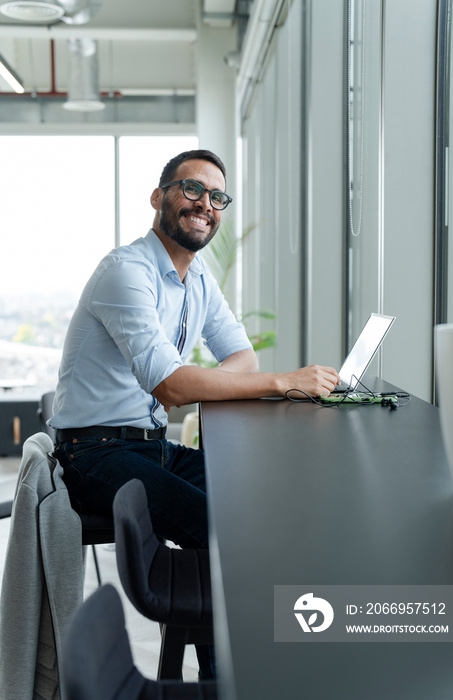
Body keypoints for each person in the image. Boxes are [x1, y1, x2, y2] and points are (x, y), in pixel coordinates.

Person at [50, 149, 339, 678]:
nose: (205, 204)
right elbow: (172, 386)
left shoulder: (198, 277)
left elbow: (241, 353)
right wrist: (283, 382)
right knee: (217, 521)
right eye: (192, 190)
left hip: (146, 445)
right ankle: (224, 678)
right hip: (92, 453)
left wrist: (224, 380)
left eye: (217, 197)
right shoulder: (126, 271)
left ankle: (245, 662)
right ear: (158, 197)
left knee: (252, 500)